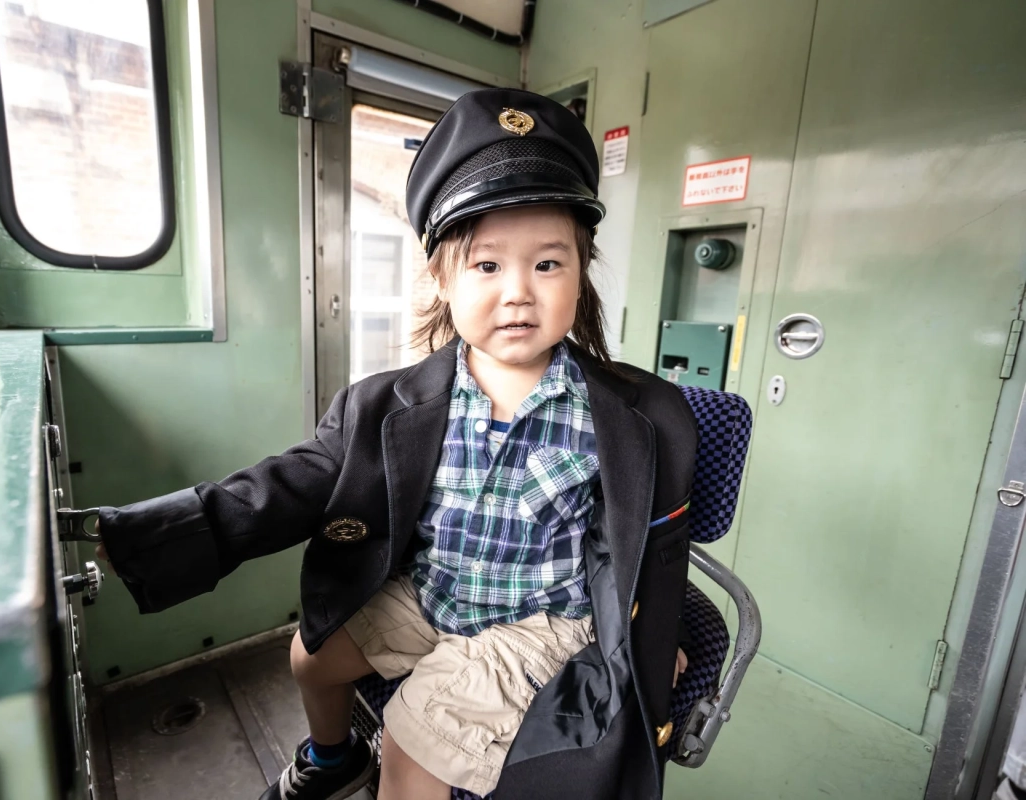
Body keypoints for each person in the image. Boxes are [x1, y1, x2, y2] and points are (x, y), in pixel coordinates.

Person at [96, 88, 697, 800]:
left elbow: (653, 552)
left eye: (547, 264)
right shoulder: (387, 403)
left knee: (412, 747)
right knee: (311, 653)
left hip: (540, 622)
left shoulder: (638, 417)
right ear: (441, 278)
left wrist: (658, 649)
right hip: (437, 594)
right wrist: (170, 533)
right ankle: (332, 759)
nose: (518, 293)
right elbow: (298, 479)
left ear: (580, 272)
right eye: (486, 266)